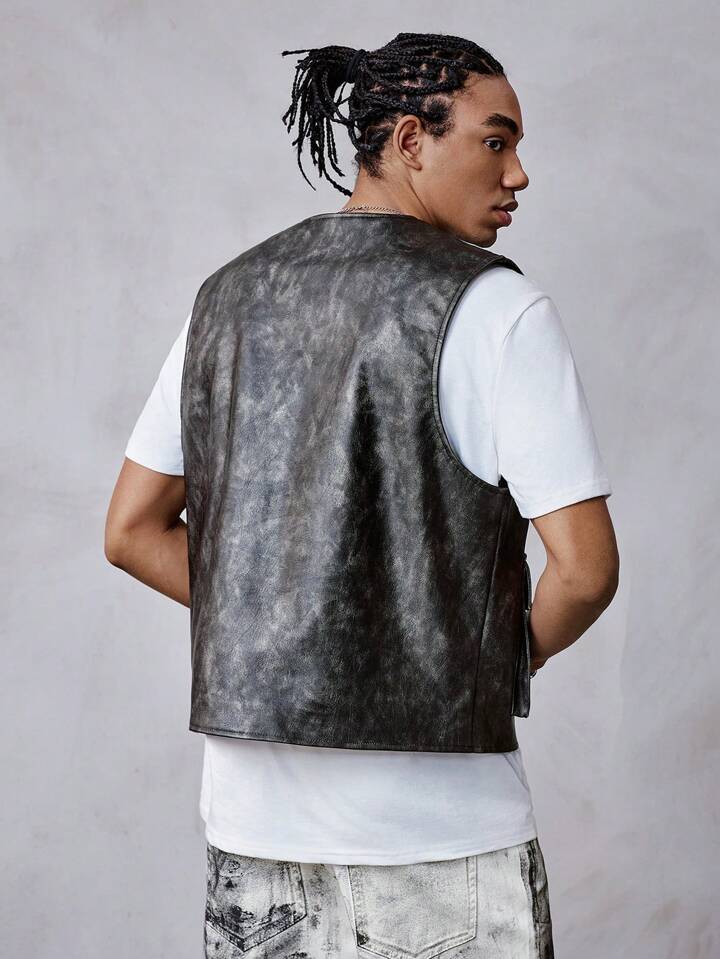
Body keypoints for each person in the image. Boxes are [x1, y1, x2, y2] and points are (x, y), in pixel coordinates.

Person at [105, 31, 619, 958]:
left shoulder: (223, 297)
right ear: (413, 141)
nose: (518, 174)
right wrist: (482, 656)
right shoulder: (500, 311)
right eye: (495, 141)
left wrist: (287, 620)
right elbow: (584, 572)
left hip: (253, 841)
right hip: (442, 841)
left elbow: (132, 530)